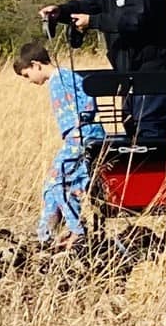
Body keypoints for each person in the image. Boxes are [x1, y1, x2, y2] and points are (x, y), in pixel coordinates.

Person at [41, 0, 166, 151]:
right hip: (125, 70)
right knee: (131, 127)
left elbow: (136, 19)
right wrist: (61, 12)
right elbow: (86, 4)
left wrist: (93, 21)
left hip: (153, 67)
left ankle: (156, 177)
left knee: (150, 131)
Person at [14, 41, 107, 248]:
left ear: (36, 65)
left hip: (81, 138)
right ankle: (44, 235)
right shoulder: (64, 79)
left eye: (27, 75)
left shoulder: (62, 79)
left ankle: (76, 231)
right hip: (80, 138)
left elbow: (86, 107)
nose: (29, 81)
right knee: (52, 186)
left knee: (58, 183)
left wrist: (79, 127)